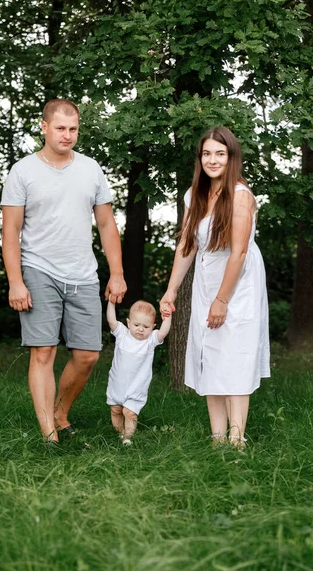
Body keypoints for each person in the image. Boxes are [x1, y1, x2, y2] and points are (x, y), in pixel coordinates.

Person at [1, 98, 127, 446]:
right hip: (38, 269)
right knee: (43, 351)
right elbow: (10, 231)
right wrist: (16, 281)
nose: (67, 135)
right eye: (60, 128)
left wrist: (116, 272)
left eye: (73, 129)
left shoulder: (90, 169)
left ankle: (59, 411)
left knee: (88, 355)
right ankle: (50, 437)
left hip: (83, 274)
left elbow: (106, 223)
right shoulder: (23, 171)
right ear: (44, 127)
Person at [160, 126, 270, 448]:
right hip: (206, 282)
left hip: (239, 285)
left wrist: (222, 300)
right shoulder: (194, 195)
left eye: (219, 153)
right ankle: (217, 440)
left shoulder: (240, 196)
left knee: (234, 358)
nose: (212, 159)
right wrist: (171, 290)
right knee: (210, 355)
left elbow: (238, 251)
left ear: (231, 157)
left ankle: (237, 440)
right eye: (207, 153)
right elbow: (187, 245)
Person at [106, 299, 172, 445]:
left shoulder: (150, 341)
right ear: (128, 323)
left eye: (146, 326)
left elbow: (163, 333)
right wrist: (111, 303)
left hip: (137, 386)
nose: (141, 329)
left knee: (129, 412)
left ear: (153, 327)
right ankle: (120, 433)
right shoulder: (122, 334)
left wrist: (167, 316)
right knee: (116, 410)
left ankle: (128, 437)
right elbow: (111, 320)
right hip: (117, 384)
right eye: (136, 325)